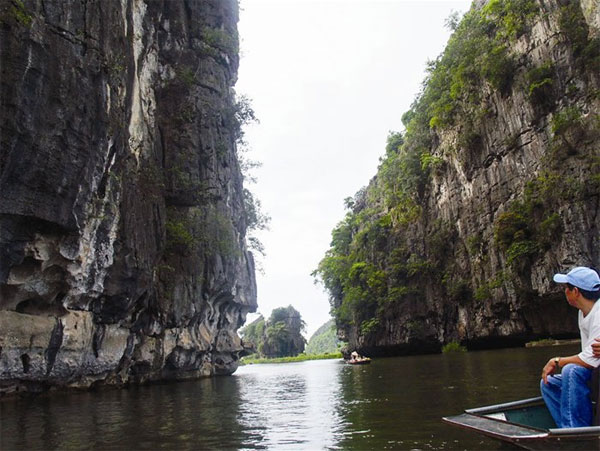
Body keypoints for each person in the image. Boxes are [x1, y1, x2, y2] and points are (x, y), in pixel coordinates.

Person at [540, 266, 600, 428]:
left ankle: (574, 430)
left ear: (576, 292)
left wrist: (557, 361)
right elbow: (589, 355)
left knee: (571, 370)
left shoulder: (598, 313)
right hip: (594, 373)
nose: (564, 292)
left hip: (597, 373)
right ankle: (568, 429)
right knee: (548, 383)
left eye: (567, 288)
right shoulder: (583, 312)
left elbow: (591, 359)